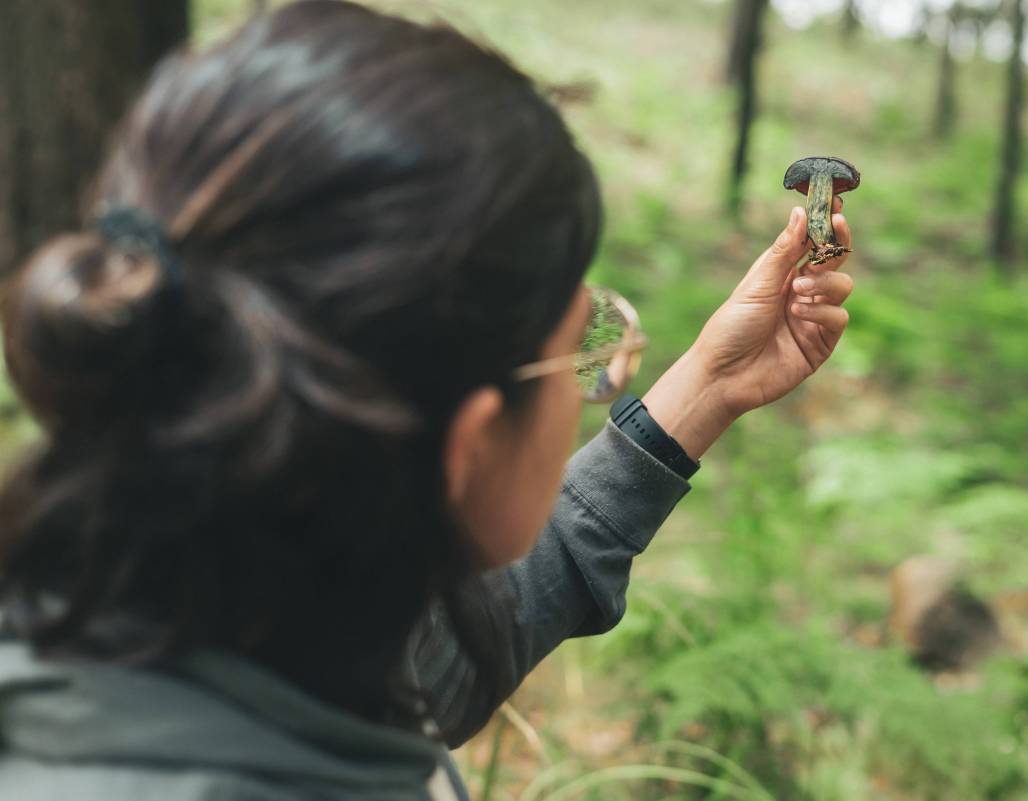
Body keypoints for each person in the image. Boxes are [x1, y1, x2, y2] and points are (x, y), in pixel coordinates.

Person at [0, 2, 853, 799]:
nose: (610, 366)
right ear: (468, 447)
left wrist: (710, 382)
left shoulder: (217, 611)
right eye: (582, 350)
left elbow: (439, 656)